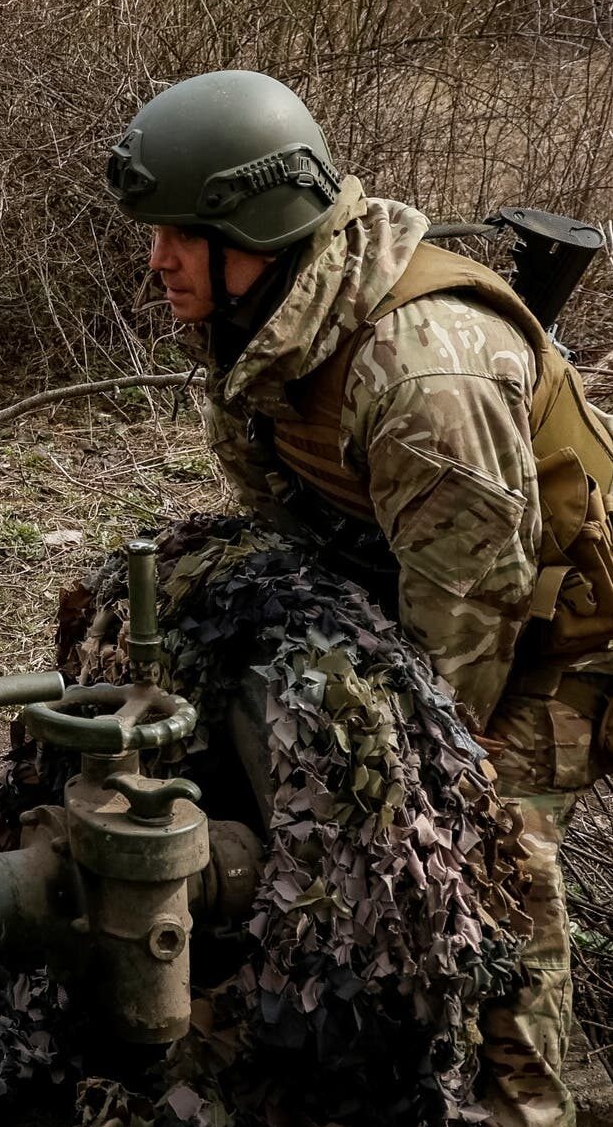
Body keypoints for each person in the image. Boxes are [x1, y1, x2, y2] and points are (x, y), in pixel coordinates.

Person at [110, 69, 610, 1126]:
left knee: (480, 828)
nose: (155, 260)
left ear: (252, 232)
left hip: (569, 634)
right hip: (444, 584)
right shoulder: (268, 321)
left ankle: (527, 1099)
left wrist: (388, 796)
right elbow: (295, 530)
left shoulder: (425, 377)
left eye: (176, 235)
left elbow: (465, 649)